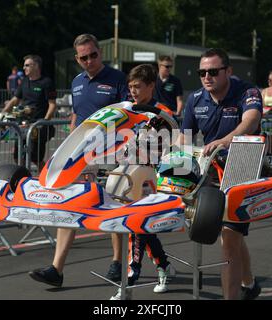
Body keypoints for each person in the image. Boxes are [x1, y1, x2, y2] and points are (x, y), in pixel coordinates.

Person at [29, 34, 129, 288]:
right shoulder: (76, 82)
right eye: (83, 57)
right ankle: (56, 269)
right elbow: (76, 115)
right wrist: (69, 146)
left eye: (93, 55)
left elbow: (129, 113)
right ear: (77, 59)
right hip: (82, 156)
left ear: (100, 53)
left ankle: (118, 261)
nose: (89, 60)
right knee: (69, 206)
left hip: (112, 154)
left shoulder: (118, 79)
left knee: (113, 205)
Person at [178, 48, 263, 300]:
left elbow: (251, 120)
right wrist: (172, 161)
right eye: (202, 72)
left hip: (244, 160)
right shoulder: (195, 98)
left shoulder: (247, 92)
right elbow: (183, 138)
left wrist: (224, 141)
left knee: (229, 238)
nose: (207, 77)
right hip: (211, 166)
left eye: (213, 72)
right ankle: (249, 284)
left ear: (228, 71)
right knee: (231, 235)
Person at [110, 64, 174, 300]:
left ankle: (128, 283)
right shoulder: (128, 110)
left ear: (151, 86)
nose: (133, 91)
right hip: (129, 175)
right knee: (142, 228)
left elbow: (164, 146)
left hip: (153, 177)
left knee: (136, 228)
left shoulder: (162, 113)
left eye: (138, 86)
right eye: (130, 87)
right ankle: (164, 267)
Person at [2, 54, 57, 171]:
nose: (24, 68)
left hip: (38, 126)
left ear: (36, 66)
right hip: (22, 125)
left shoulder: (46, 82)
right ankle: (24, 178)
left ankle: (48, 179)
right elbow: (15, 99)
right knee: (17, 156)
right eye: (24, 65)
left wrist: (44, 122)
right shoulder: (24, 82)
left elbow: (52, 104)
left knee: (35, 158)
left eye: (27, 65)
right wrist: (3, 112)